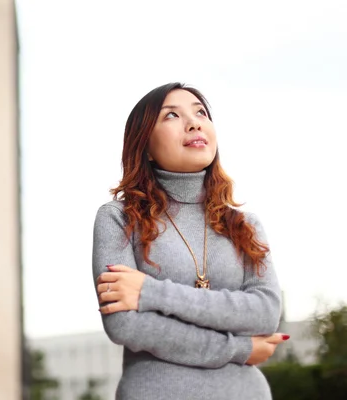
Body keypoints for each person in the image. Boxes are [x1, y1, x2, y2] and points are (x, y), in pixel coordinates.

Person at [92, 82, 288, 400]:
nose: (194, 122)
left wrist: (149, 292)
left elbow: (264, 314)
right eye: (171, 115)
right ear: (145, 146)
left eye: (200, 112)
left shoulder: (245, 225)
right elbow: (125, 325)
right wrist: (239, 347)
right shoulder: (119, 218)